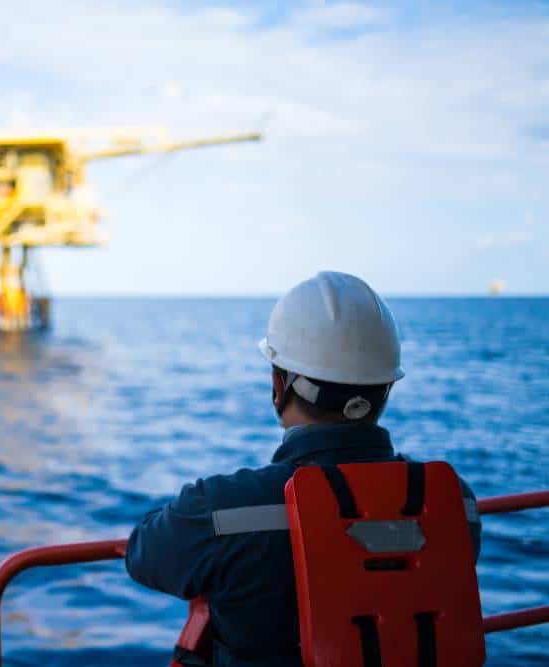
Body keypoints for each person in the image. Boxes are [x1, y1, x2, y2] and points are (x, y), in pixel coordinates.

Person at [125, 271, 481, 667]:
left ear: (279, 385)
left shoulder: (221, 510)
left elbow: (143, 555)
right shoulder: (455, 504)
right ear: (385, 389)